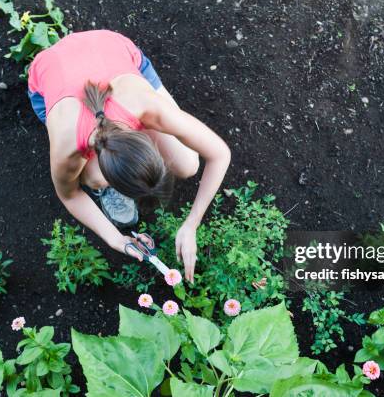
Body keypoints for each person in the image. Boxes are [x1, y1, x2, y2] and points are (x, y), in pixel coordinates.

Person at [27, 30, 231, 282]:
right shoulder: (69, 145)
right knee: (94, 179)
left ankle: (119, 169)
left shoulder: (146, 105)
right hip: (51, 71)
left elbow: (220, 154)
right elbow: (69, 195)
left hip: (108, 47)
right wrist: (116, 239)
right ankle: (104, 186)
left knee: (187, 164)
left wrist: (191, 225)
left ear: (142, 134)